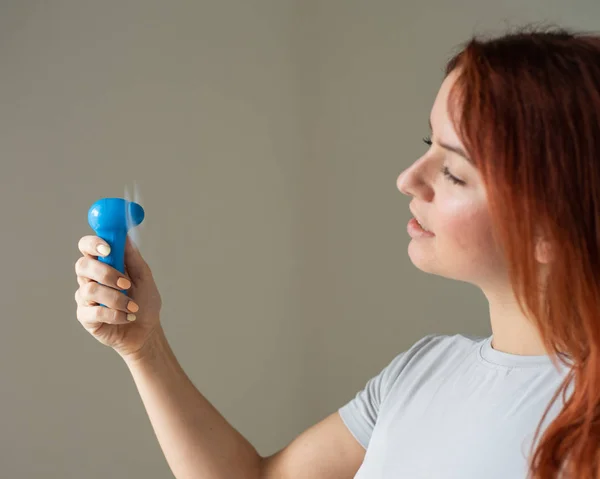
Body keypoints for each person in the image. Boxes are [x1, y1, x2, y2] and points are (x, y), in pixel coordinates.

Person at [74, 24, 600, 478]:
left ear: (551, 228)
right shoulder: (422, 371)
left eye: (453, 171)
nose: (407, 180)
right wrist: (144, 348)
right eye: (428, 146)